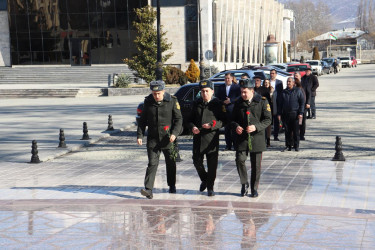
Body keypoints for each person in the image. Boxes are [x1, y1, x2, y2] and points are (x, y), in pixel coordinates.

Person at [137, 80, 183, 199]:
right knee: (152, 163)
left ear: (163, 91)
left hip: (168, 138)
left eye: (158, 93)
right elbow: (142, 121)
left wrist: (174, 133)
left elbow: (179, 119)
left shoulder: (172, 101)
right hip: (153, 139)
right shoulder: (148, 102)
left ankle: (172, 185)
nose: (156, 96)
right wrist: (140, 135)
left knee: (171, 163)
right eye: (154, 93)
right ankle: (148, 189)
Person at [231, 78, 272, 197]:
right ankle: (244, 184)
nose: (243, 94)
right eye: (241, 92)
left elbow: (268, 119)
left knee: (256, 165)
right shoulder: (238, 102)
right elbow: (232, 119)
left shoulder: (262, 101)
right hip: (242, 138)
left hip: (257, 138)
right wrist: (236, 126)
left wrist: (256, 127)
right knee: (239, 160)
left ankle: (254, 188)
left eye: (245, 92)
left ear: (252, 91)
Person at [188, 80, 227, 196]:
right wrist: (192, 127)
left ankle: (210, 187)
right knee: (196, 161)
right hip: (198, 138)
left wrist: (212, 125)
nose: (204, 94)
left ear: (212, 91)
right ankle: (204, 179)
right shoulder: (196, 103)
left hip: (211, 138)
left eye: (207, 91)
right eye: (202, 91)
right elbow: (189, 120)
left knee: (212, 165)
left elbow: (224, 121)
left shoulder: (218, 104)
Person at [278, 77, 305, 152]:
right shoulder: (284, 92)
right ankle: (288, 145)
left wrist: (301, 113)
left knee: (296, 131)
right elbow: (280, 104)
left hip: (295, 114)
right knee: (287, 131)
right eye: (287, 82)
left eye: (290, 81)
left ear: (293, 83)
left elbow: (302, 102)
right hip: (286, 114)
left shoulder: (298, 91)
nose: (288, 83)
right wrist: (279, 114)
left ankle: (296, 146)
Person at [217, 72, 241, 151]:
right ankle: (228, 145)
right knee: (226, 129)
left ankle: (235, 144)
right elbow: (217, 97)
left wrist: (231, 100)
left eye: (228, 78)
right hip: (224, 111)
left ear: (232, 78)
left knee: (234, 128)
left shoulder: (236, 87)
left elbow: (239, 97)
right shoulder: (221, 87)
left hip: (233, 110)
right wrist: (223, 101)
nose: (227, 80)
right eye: (225, 78)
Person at [269, 69, 284, 141]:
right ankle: (267, 136)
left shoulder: (279, 82)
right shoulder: (267, 82)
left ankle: (276, 135)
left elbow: (281, 93)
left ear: (276, 74)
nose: (272, 74)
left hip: (276, 103)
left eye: (273, 73)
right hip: (269, 103)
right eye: (271, 73)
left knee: (276, 120)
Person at [300, 68, 312, 140]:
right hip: (296, 105)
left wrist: (308, 102)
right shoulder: (293, 84)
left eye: (297, 76)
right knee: (297, 121)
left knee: (302, 120)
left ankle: (301, 134)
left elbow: (309, 93)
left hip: (303, 104)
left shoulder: (304, 83)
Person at [263, 79, 274, 147]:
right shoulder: (262, 90)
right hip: (264, 108)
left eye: (267, 82)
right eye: (265, 82)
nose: (266, 84)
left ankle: (268, 139)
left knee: (269, 125)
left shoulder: (271, 90)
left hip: (270, 108)